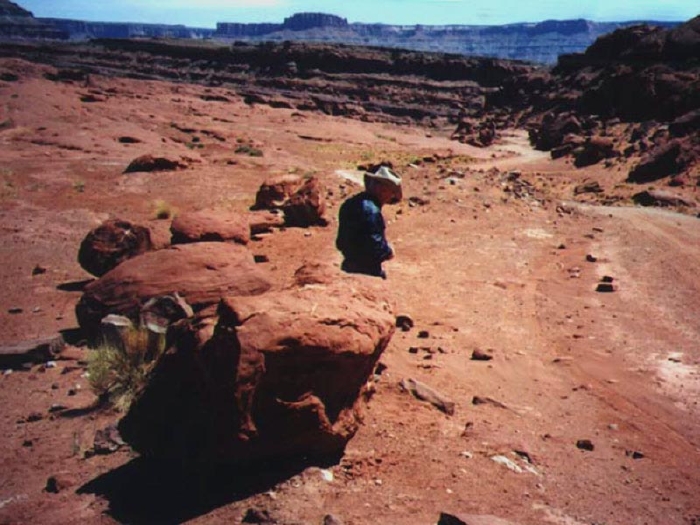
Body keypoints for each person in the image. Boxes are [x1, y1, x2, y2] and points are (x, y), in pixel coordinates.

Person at [336, 166, 402, 278]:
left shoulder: (350, 203)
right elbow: (374, 246)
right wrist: (388, 251)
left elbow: (341, 242)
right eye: (391, 192)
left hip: (348, 265)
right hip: (367, 271)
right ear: (383, 190)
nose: (391, 197)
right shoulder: (372, 211)